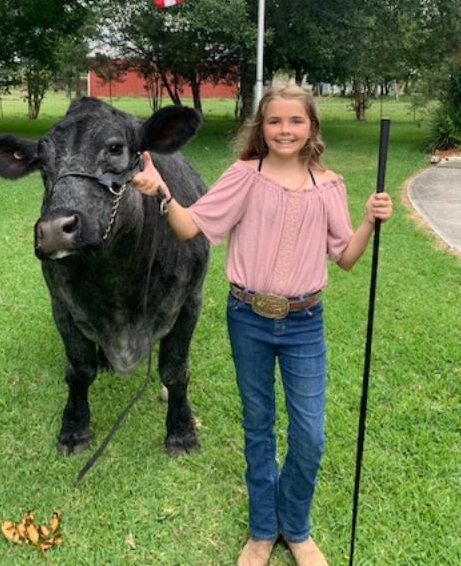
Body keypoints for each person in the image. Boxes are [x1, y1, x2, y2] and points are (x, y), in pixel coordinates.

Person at [133, 84, 393, 566]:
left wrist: (368, 223)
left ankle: (295, 528)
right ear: (261, 127)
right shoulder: (243, 176)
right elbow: (191, 227)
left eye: (296, 121)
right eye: (275, 121)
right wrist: (163, 193)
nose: (285, 130)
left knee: (309, 435)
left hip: (304, 323)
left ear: (311, 127)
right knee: (258, 427)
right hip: (248, 318)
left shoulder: (328, 185)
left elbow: (347, 258)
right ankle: (261, 530)